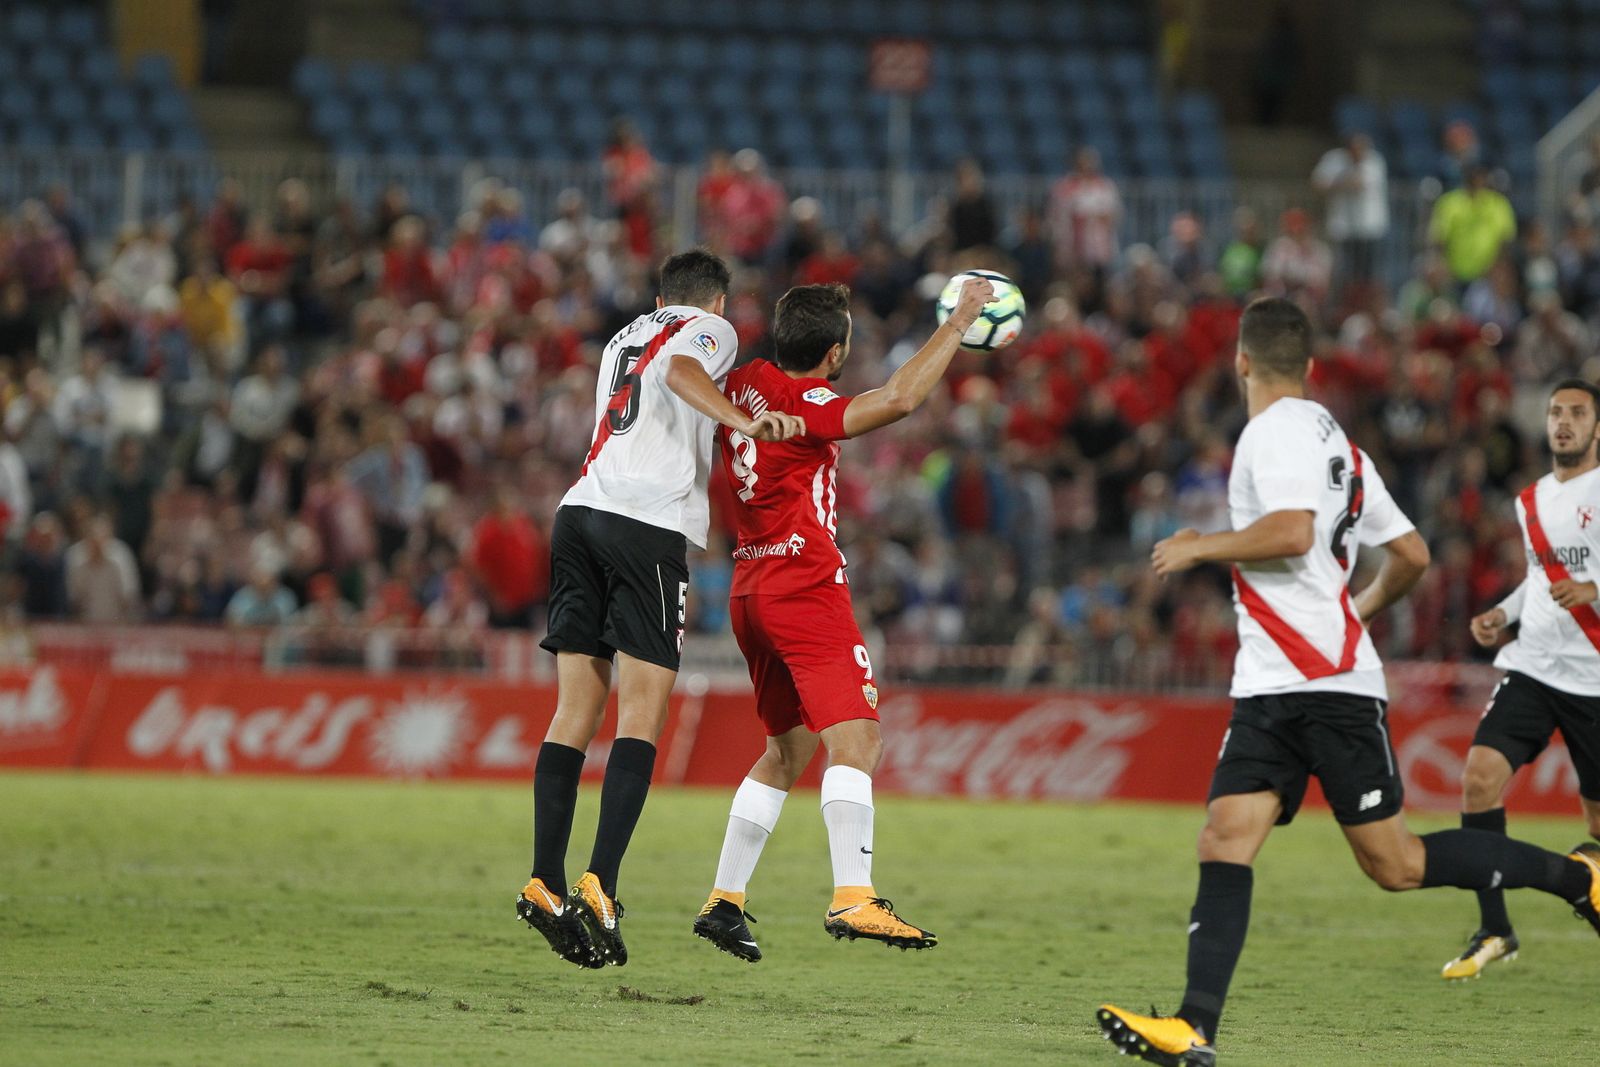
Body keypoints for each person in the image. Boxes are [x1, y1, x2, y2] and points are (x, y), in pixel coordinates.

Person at [1095, 298, 1600, 1066]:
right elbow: (1412, 554)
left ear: (1240, 360)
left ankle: (1576, 880)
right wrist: (1356, 609)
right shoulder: (1339, 442)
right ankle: (1195, 1028)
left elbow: (1295, 531)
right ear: (1308, 364)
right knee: (1225, 835)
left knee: (1394, 865)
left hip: (1325, 682)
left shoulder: (1275, 432)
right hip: (1275, 680)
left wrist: (1202, 546)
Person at [689, 274, 995, 962]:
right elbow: (901, 398)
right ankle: (853, 894)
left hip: (749, 586)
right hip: (803, 584)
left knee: (787, 749)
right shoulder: (812, 399)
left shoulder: (743, 384)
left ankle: (724, 898)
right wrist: (958, 324)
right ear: (833, 354)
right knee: (856, 741)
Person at [515, 250, 804, 969]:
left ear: (657, 294)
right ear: (715, 300)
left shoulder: (622, 336)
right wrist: (742, 418)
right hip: (645, 522)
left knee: (574, 712)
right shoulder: (711, 328)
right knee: (643, 713)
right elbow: (680, 372)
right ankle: (601, 881)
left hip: (578, 511)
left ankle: (544, 881)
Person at [1447, 380, 1600, 979]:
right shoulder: (1530, 500)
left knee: (1595, 830)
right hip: (1533, 668)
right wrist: (1504, 615)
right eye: (1556, 412)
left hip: (1594, 678)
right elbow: (1538, 579)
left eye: (1578, 413)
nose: (1564, 422)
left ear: (1598, 427)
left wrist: (1594, 591)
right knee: (1479, 780)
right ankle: (1495, 928)